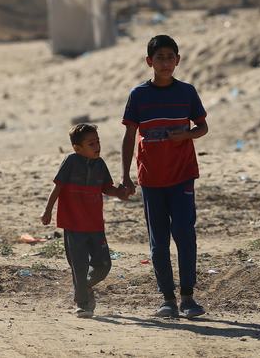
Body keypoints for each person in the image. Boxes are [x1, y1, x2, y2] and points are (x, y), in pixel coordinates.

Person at [119, 34, 208, 319]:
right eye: (160, 58)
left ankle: (188, 297)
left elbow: (202, 127)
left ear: (178, 60)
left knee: (184, 233)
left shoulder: (187, 92)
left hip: (182, 175)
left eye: (170, 57)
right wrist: (125, 176)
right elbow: (129, 135)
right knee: (158, 240)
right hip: (151, 178)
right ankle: (167, 299)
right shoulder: (139, 96)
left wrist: (187, 134)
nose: (166, 62)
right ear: (149, 62)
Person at [41, 123, 132, 318]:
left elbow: (107, 188)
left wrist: (120, 194)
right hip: (73, 225)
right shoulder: (70, 162)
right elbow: (57, 188)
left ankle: (82, 287)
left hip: (95, 225)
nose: (97, 146)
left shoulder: (100, 164)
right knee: (79, 265)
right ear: (77, 148)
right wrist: (47, 210)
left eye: (98, 142)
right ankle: (82, 304)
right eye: (91, 143)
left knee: (104, 265)